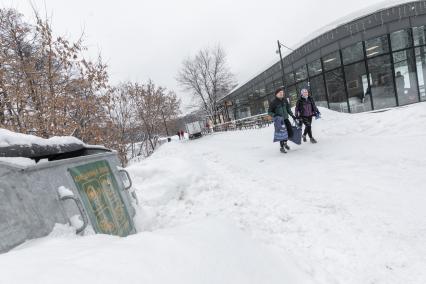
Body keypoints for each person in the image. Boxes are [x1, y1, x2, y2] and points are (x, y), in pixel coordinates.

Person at [268, 87, 296, 153]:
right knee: (282, 133)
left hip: (286, 118)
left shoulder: (285, 100)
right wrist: (275, 115)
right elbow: (269, 112)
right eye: (280, 93)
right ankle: (281, 147)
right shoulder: (273, 103)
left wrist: (292, 115)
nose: (281, 94)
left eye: (282, 93)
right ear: (276, 94)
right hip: (279, 120)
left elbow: (288, 109)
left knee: (290, 132)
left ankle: (285, 143)